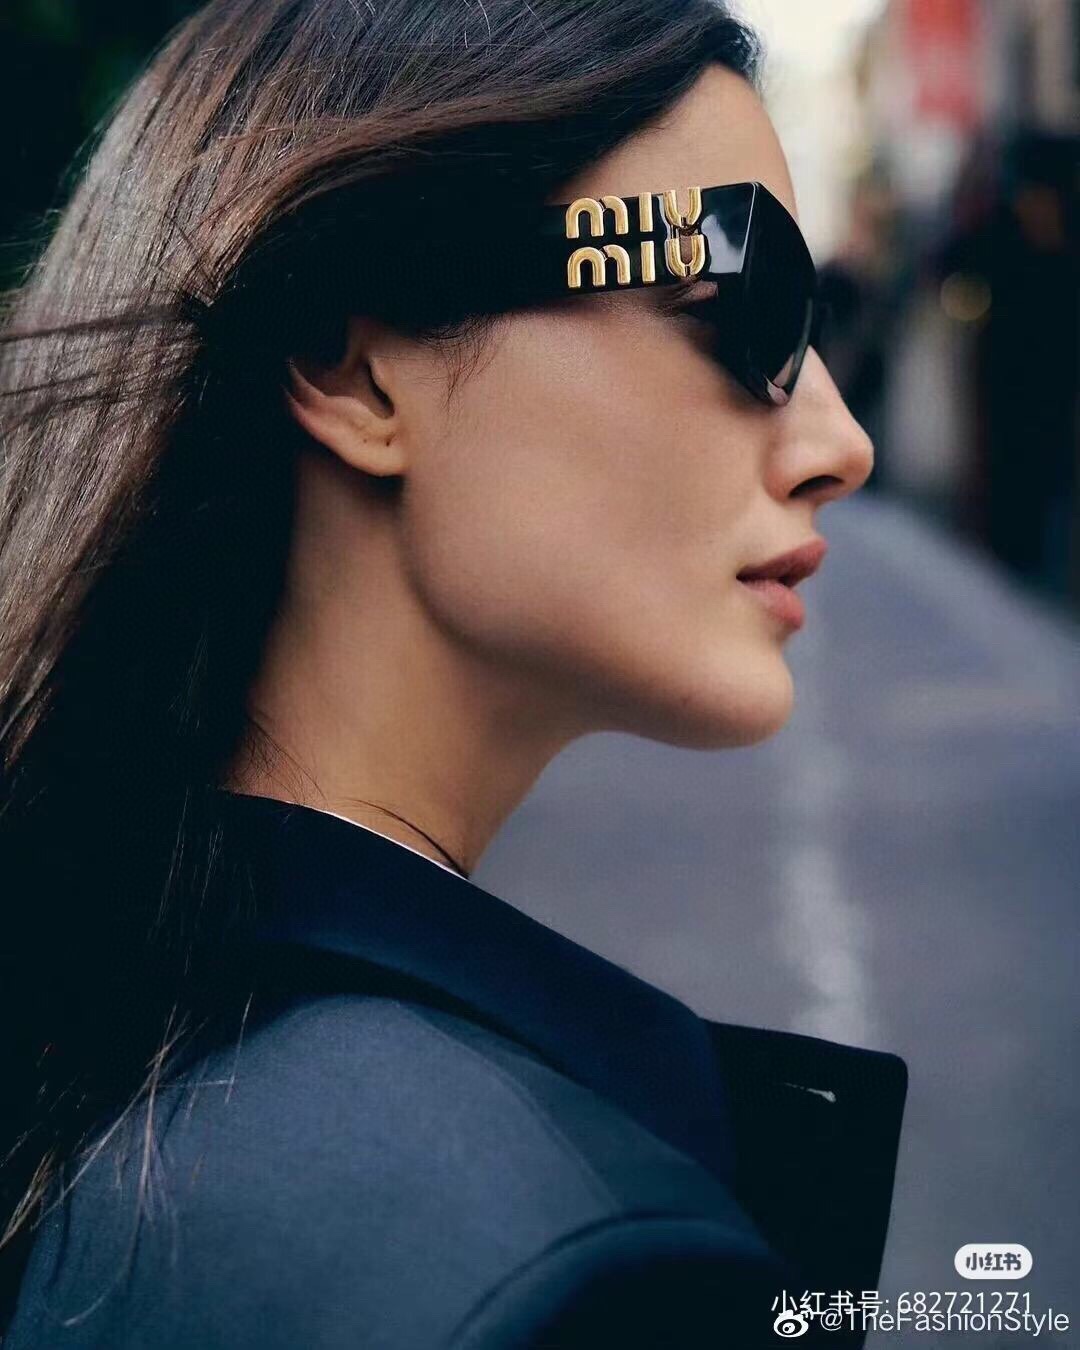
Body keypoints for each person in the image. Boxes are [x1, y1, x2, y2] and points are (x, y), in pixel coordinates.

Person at [0, 0, 906, 1345]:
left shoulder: (94, 1040)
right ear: (353, 365)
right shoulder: (580, 1281)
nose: (840, 443)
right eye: (738, 301)